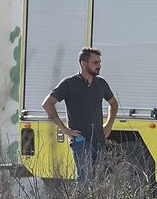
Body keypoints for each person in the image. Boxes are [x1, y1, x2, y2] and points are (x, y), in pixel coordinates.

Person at [43, 46, 117, 181]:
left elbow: (113, 103)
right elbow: (47, 104)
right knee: (84, 180)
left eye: (99, 62)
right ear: (83, 64)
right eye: (95, 62)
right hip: (80, 140)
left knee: (98, 180)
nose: (99, 66)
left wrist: (109, 124)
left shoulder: (101, 83)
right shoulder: (69, 84)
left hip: (99, 140)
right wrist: (64, 129)